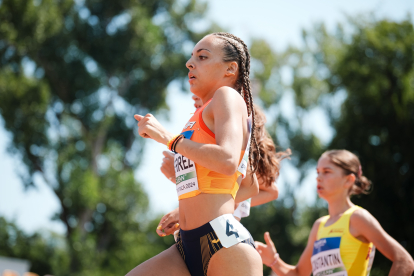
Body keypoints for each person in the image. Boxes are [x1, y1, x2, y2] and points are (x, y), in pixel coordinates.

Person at [127, 32, 263, 276]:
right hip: (186, 245)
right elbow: (242, 183)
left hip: (223, 242)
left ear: (230, 69)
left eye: (202, 57)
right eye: (191, 58)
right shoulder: (198, 116)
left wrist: (168, 139)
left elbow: (228, 160)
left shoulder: (227, 96)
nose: (190, 63)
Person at [255, 150, 414, 276]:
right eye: (318, 172)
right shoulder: (319, 225)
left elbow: (404, 261)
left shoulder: (357, 218)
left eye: (327, 171)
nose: (318, 178)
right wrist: (273, 261)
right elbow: (299, 274)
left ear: (349, 180)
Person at [157, 101, 290, 238]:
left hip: (220, 238)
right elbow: (218, 190)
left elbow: (259, 190)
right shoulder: (208, 145)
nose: (197, 107)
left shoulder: (230, 154)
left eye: (200, 103)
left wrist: (180, 186)